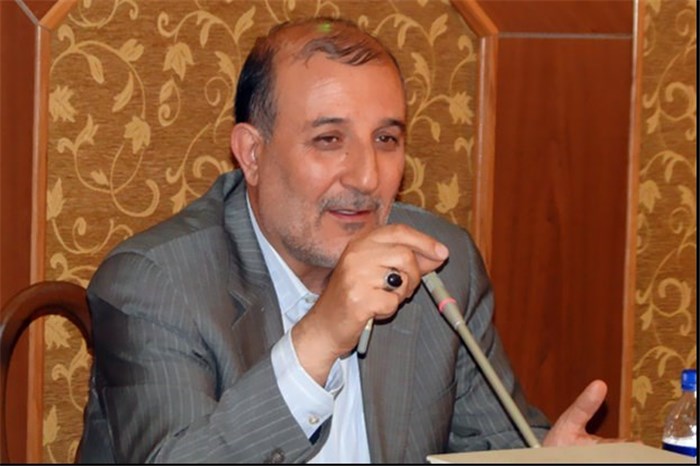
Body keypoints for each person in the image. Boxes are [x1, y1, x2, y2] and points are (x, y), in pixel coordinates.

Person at [78, 17, 610, 463]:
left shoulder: (438, 263)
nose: (366, 177)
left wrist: (545, 459)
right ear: (253, 154)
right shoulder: (157, 283)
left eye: (386, 139)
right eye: (329, 139)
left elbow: (495, 446)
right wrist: (319, 337)